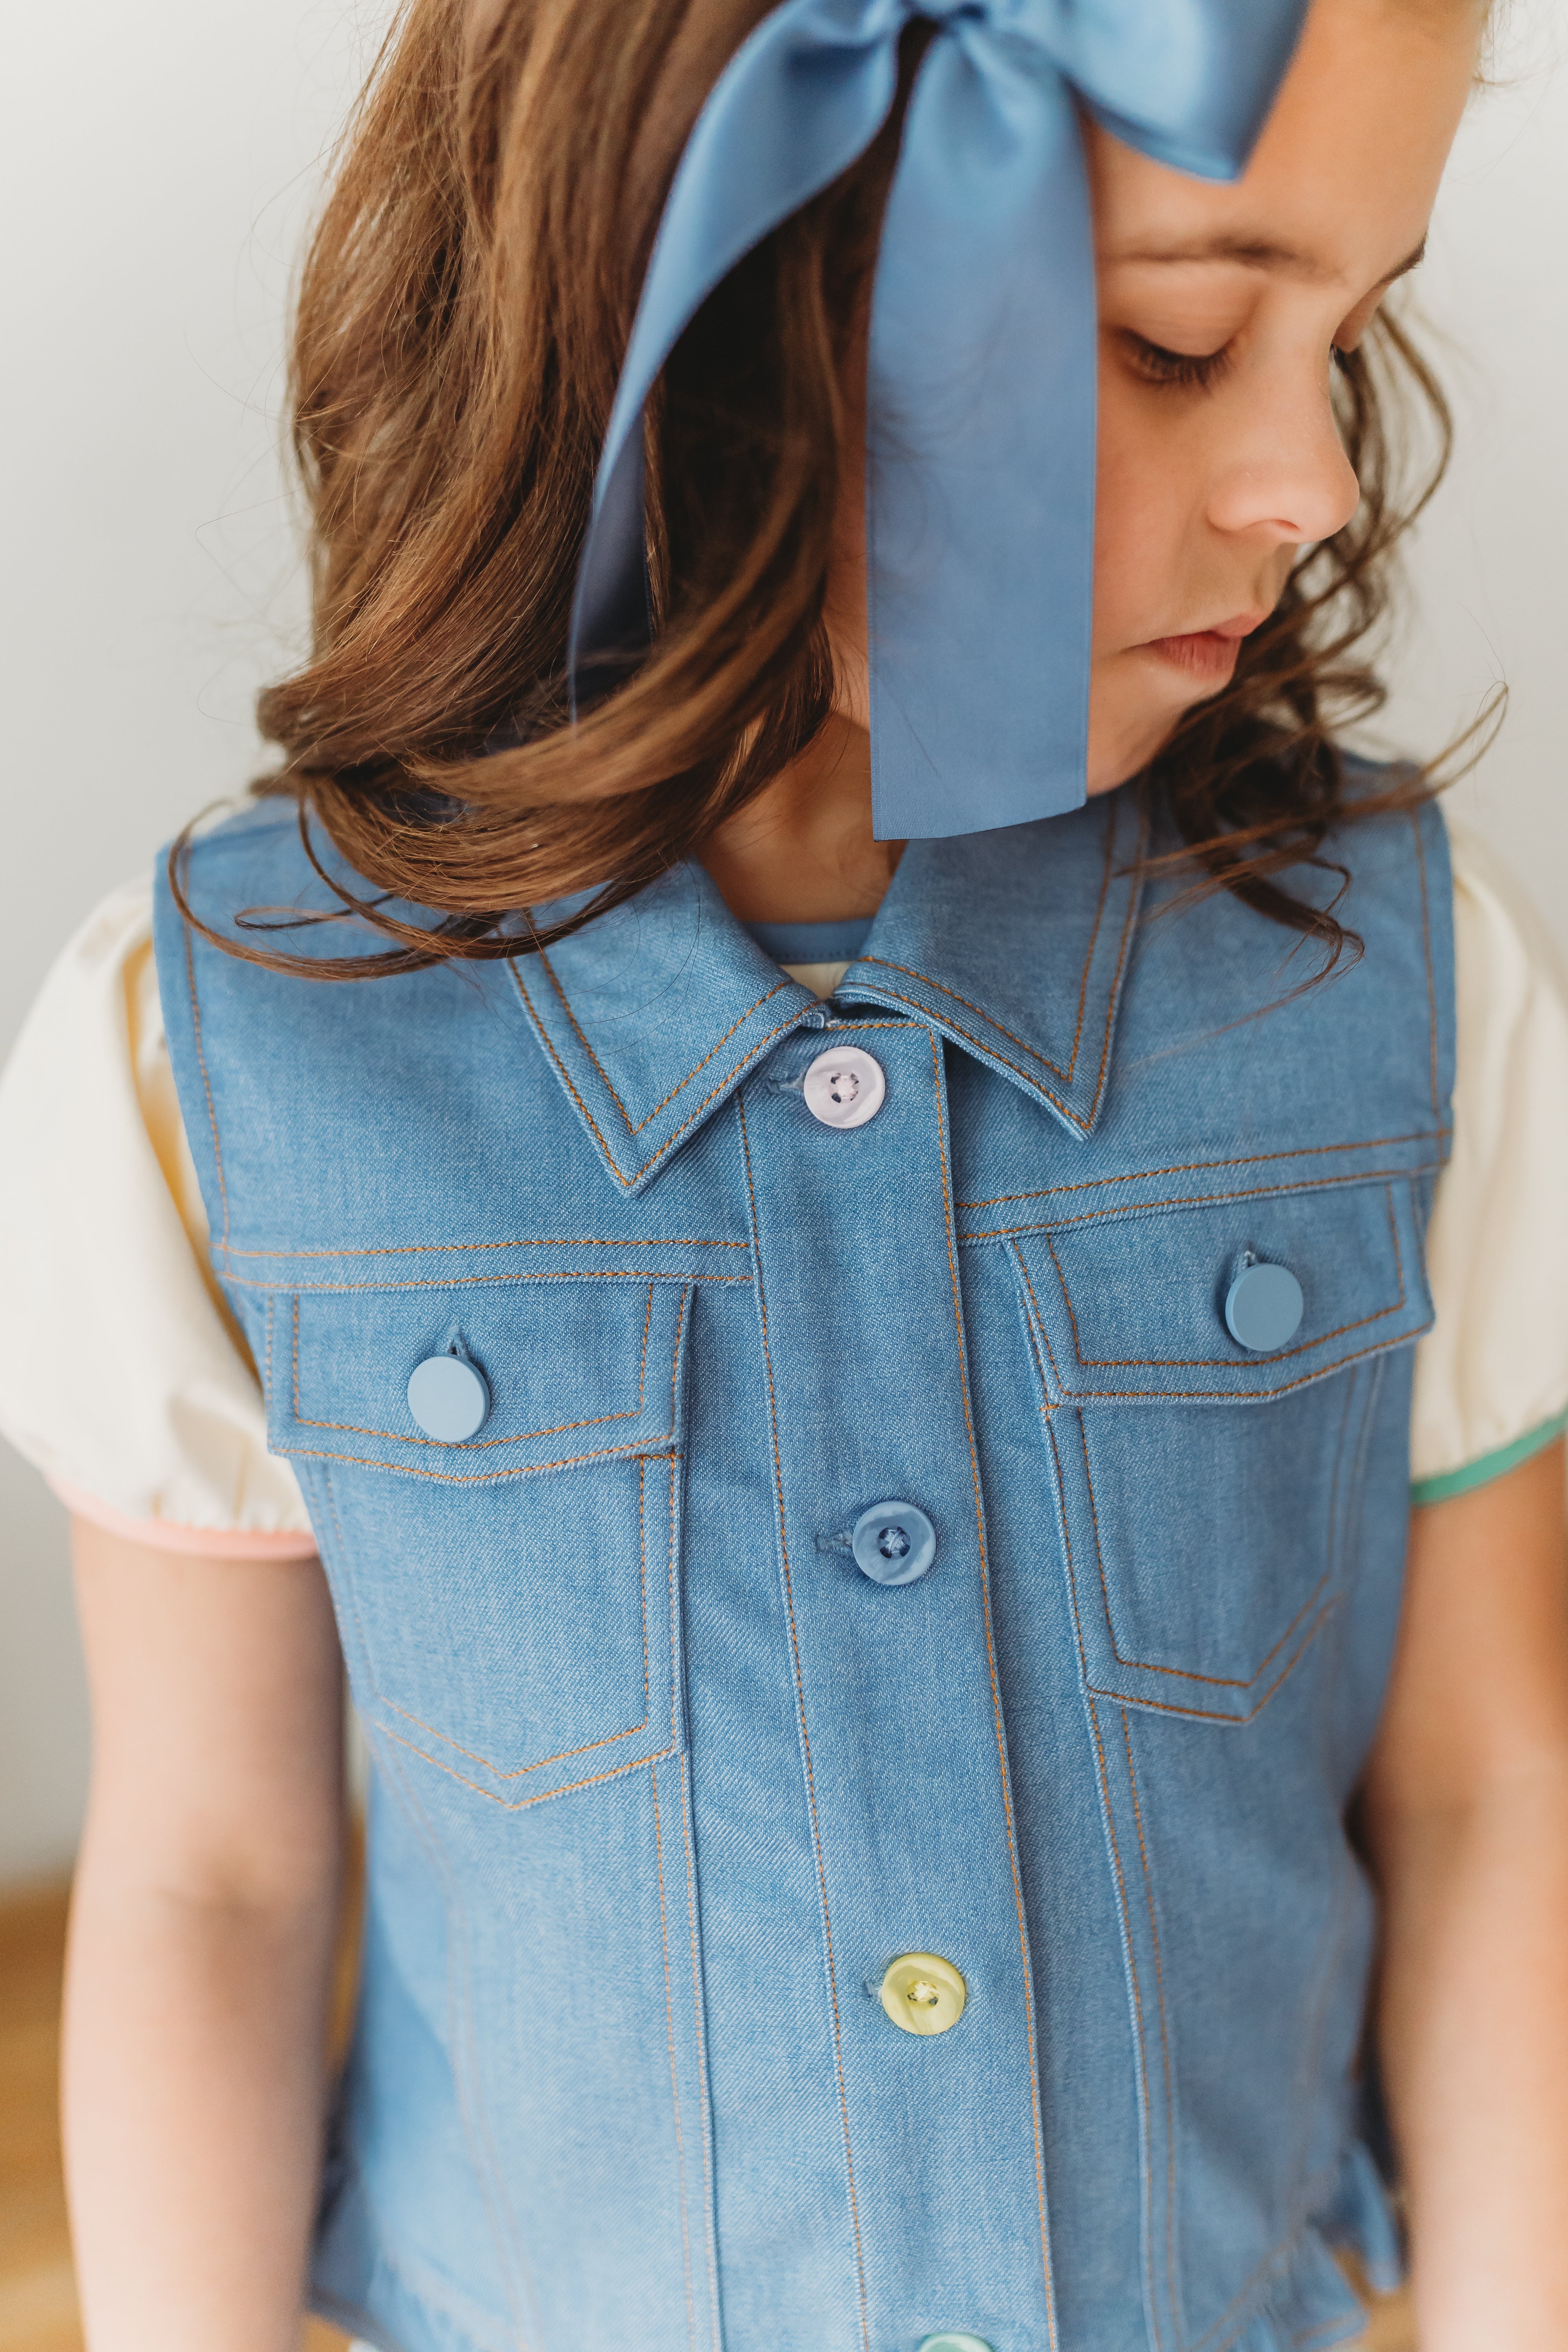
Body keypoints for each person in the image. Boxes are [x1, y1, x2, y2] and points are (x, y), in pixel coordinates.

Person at [2, 0, 1566, 2346]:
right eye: (1180, 344)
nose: (1312, 477)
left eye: (1350, 329)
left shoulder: (1385, 971)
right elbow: (215, 1875)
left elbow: (1485, 1784)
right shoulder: (206, 1042)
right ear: (720, 315)